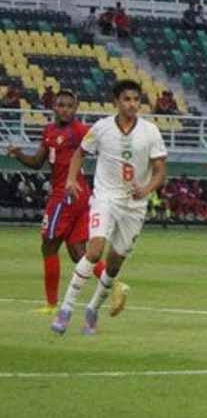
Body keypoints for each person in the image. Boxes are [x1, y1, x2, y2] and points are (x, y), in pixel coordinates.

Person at [51, 79, 167, 336]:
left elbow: (160, 171)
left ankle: (92, 309)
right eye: (127, 99)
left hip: (134, 205)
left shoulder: (151, 132)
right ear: (116, 102)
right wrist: (71, 179)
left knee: (114, 265)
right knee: (94, 250)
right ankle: (66, 309)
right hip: (105, 198)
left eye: (136, 99)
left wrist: (146, 190)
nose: (132, 104)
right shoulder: (102, 128)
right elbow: (80, 153)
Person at [7, 89, 106, 313]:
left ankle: (51, 304)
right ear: (54, 107)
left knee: (49, 246)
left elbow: (102, 149)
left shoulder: (80, 130)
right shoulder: (49, 131)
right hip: (78, 195)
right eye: (61, 105)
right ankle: (113, 283)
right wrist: (19, 154)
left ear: (76, 108)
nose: (65, 109)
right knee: (77, 250)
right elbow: (37, 162)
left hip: (66, 196)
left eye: (69, 106)